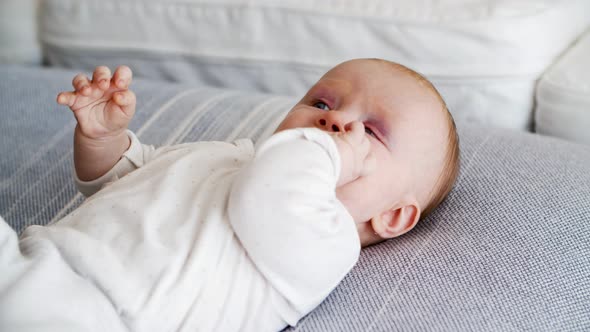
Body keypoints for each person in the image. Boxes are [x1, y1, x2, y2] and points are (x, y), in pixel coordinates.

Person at [0, 59, 460, 332]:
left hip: (100, 316)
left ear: (393, 217)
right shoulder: (229, 155)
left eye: (372, 132)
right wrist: (104, 141)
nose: (336, 123)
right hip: (34, 258)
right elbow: (120, 184)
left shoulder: (327, 241)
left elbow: (271, 195)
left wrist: (326, 151)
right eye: (322, 104)